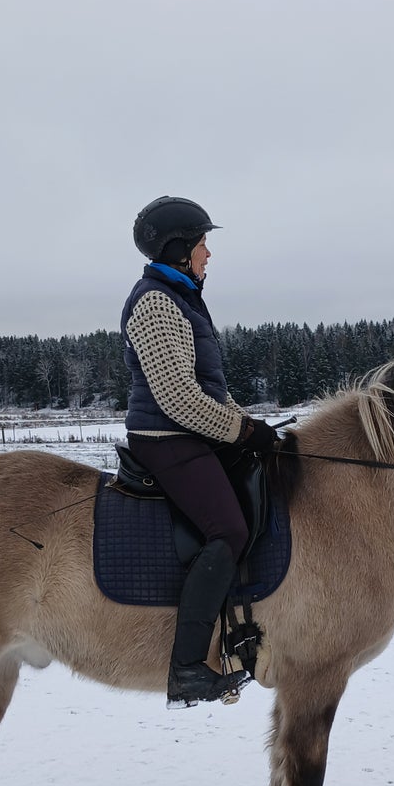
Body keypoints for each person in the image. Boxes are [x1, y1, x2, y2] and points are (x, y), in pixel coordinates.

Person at [121, 195, 279, 708]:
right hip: (167, 439)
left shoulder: (184, 299)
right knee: (227, 529)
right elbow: (177, 397)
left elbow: (209, 389)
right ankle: (188, 667)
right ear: (178, 250)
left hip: (190, 432)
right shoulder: (155, 301)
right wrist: (239, 432)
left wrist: (250, 426)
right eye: (202, 244)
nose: (208, 254)